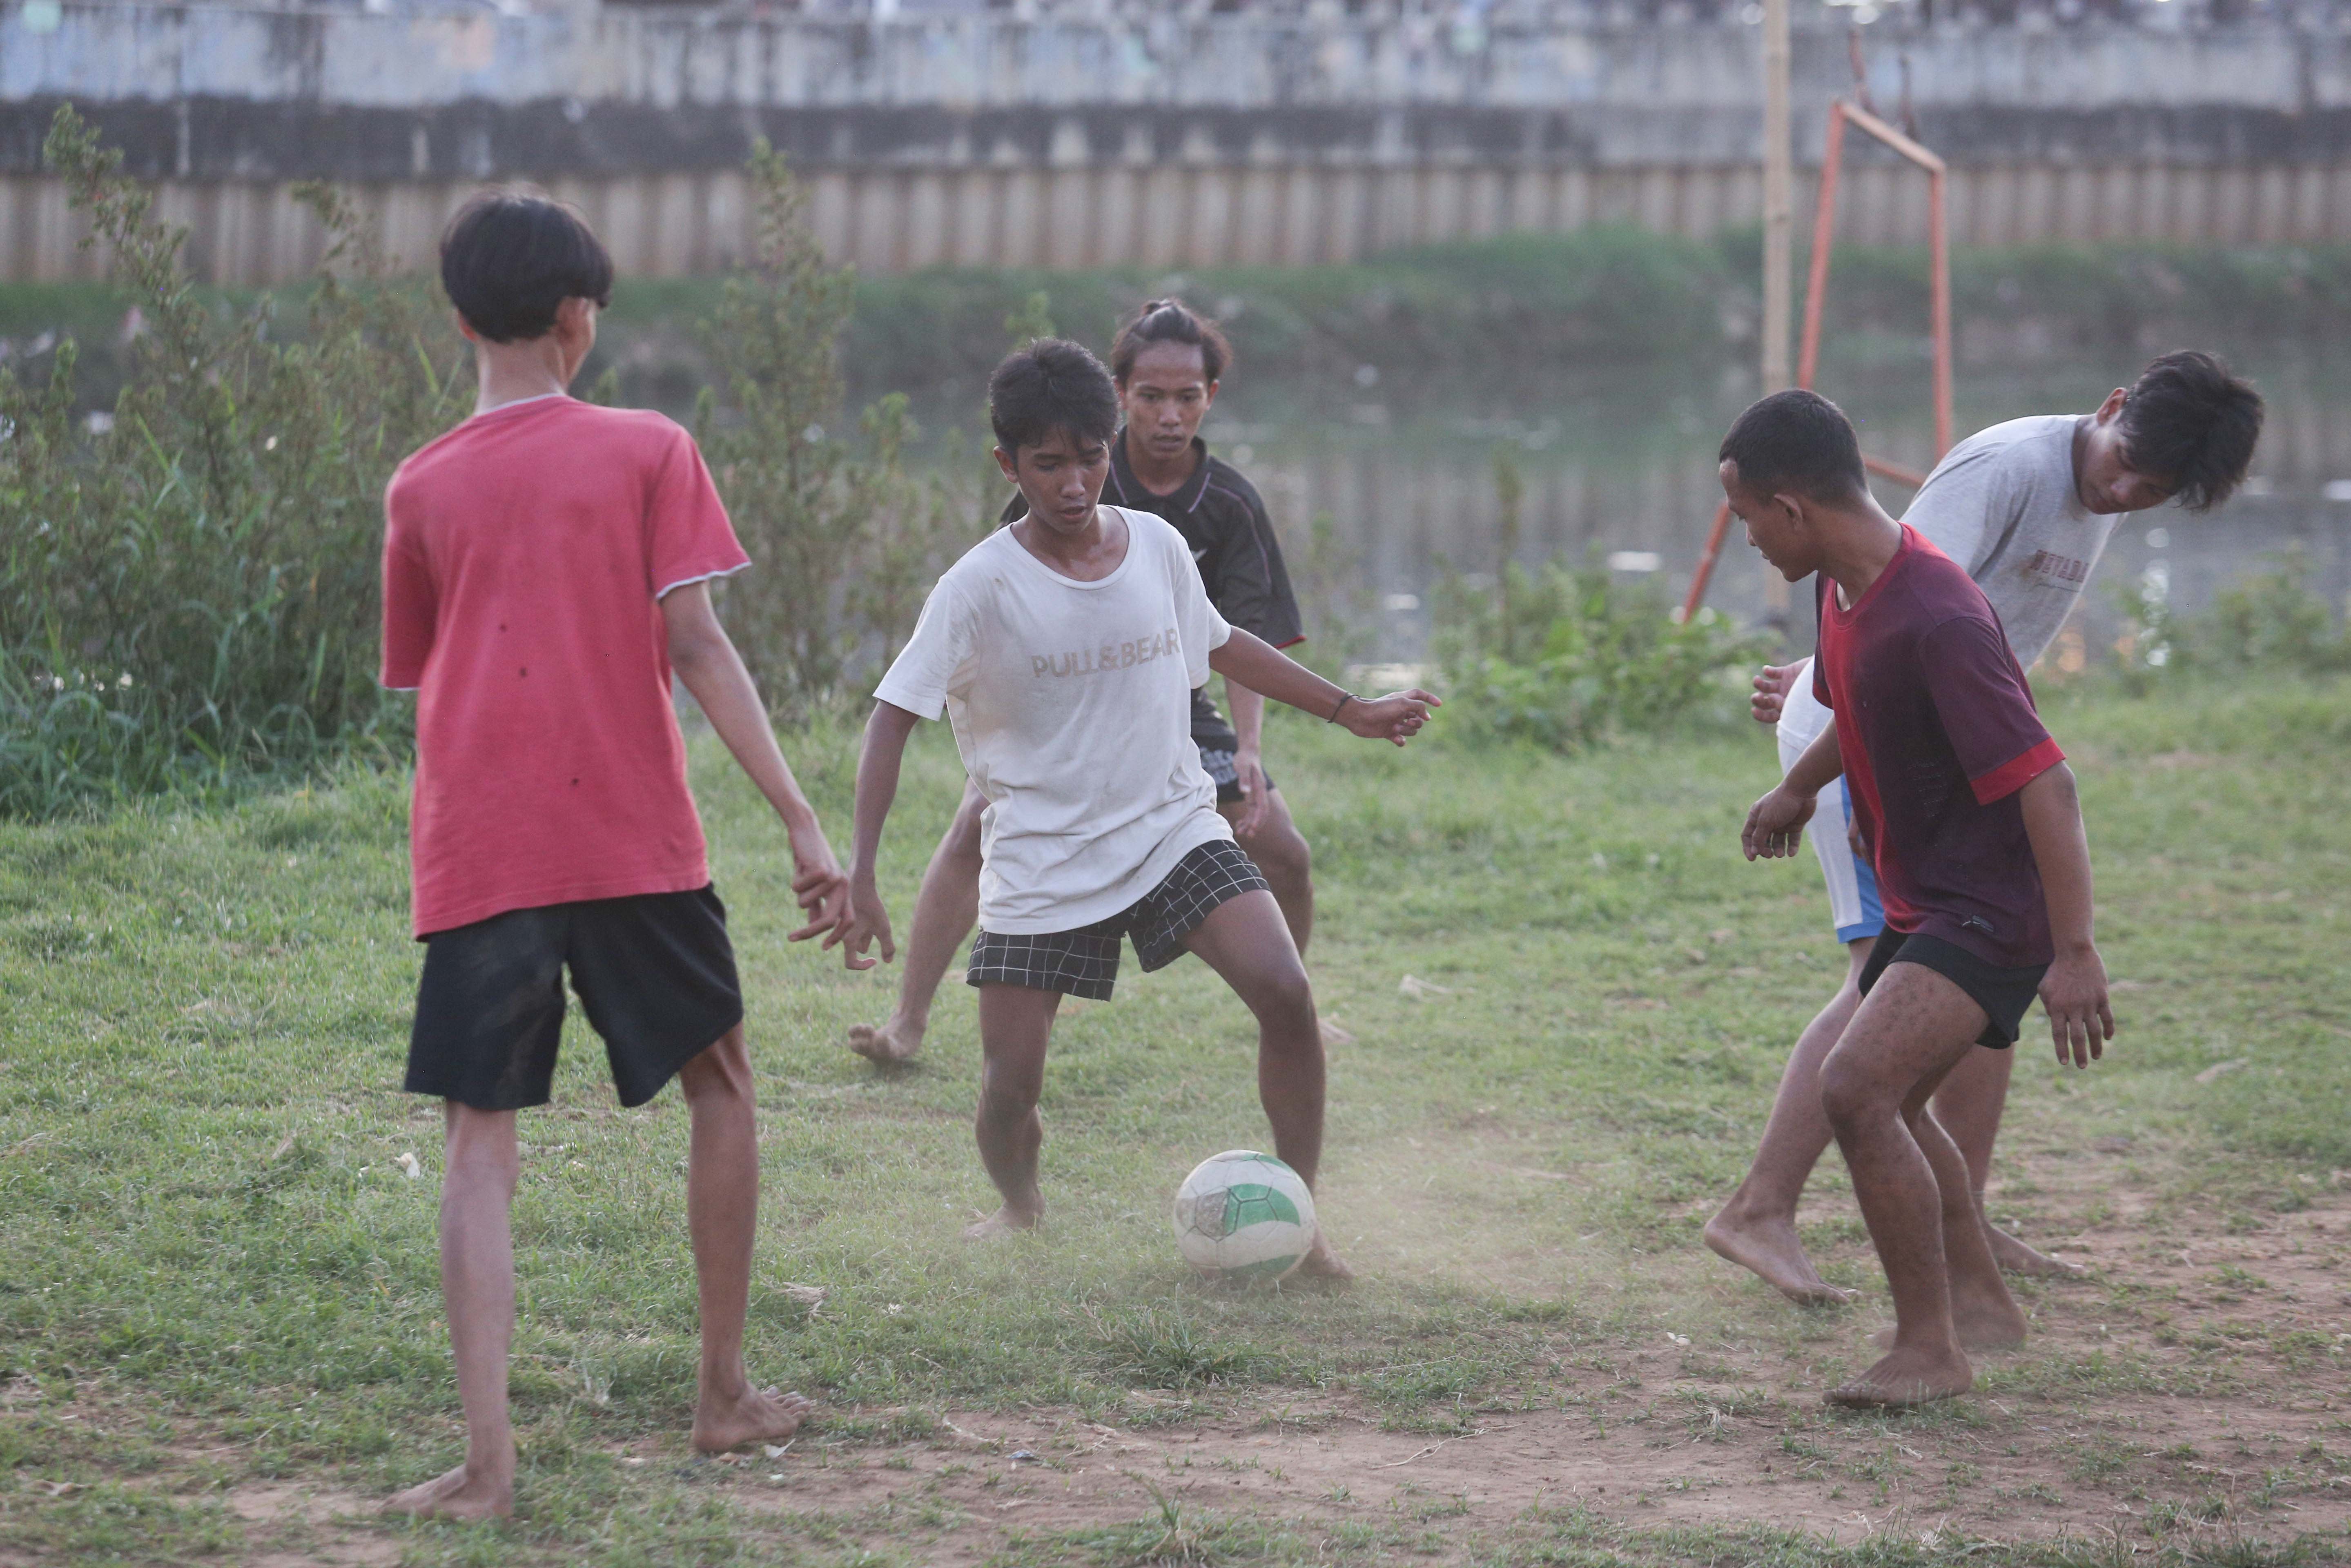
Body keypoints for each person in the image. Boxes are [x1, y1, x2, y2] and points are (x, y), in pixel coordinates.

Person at [377, 194, 850, 1519]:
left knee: (481, 1146)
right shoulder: (651, 447)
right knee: (722, 1085)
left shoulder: (417, 485)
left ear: (461, 319)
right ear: (580, 318)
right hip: (634, 839)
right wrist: (799, 823)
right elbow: (694, 647)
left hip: (480, 848)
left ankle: (486, 1466)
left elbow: (423, 674)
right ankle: (721, 1395)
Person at [830, 339, 1436, 1266]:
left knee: (1284, 991)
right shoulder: (977, 587)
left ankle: (1301, 1224)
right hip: (1043, 858)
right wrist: (861, 872)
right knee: (1007, 1093)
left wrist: (1348, 710)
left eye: (1088, 458)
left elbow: (1224, 641)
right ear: (1007, 465)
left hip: (1171, 829)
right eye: (1047, 464)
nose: (1073, 484)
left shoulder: (1155, 546)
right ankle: (1021, 1207)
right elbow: (890, 719)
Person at [1706, 352, 2262, 1305]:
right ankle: (1762, 1207)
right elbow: (1888, 593)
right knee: (1884, 983)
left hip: (1945, 749)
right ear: (2109, 404)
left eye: (2152, 491)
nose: (2124, 490)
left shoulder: (2098, 499)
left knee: (1975, 996)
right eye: (2125, 461)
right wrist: (1819, 707)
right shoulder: (2007, 468)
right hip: (1868, 742)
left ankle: (1964, 1222)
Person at [1722, 389, 2115, 1406]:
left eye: (1746, 515)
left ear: (1793, 508)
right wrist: (1796, 789)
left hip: (1991, 910)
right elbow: (1856, 702)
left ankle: (1928, 1351)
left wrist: (2073, 953)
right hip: (1928, 900)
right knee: (1889, 1093)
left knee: (1857, 1090)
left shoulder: (1936, 614)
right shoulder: (1851, 591)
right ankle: (1978, 1306)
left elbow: (2047, 782)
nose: (1745, 538)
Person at [848, 299, 1321, 1065]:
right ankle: (914, 1017)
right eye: (1151, 397)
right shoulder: (1060, 476)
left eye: (1187, 397)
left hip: (1171, 701)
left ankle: (1291, 1006)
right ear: (1122, 393)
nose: (1169, 415)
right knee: (975, 827)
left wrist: (1251, 751)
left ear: (1211, 398)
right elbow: (1000, 612)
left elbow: (1236, 638)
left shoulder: (1228, 502)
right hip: (1052, 709)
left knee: (1286, 849)